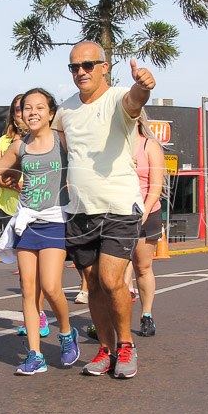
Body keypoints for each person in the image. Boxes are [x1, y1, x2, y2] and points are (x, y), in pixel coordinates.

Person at [0, 88, 78, 375]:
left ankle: (67, 335)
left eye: (39, 107)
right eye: (27, 108)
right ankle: (35, 354)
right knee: (28, 289)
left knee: (52, 287)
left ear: (51, 113)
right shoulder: (19, 146)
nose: (32, 112)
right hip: (26, 222)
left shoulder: (63, 141)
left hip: (55, 220)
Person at [52, 41, 155, 380]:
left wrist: (143, 87)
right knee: (93, 284)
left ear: (104, 67)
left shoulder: (118, 98)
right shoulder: (64, 111)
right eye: (74, 67)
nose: (81, 72)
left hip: (119, 207)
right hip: (80, 210)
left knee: (112, 280)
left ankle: (126, 345)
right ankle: (106, 350)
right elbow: (56, 153)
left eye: (88, 65)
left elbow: (134, 103)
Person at [0, 94, 49, 338]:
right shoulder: (5, 141)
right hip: (10, 209)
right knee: (26, 272)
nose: (21, 113)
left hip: (39, 209)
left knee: (40, 272)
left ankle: (40, 314)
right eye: (17, 109)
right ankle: (32, 315)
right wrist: (12, 184)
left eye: (24, 108)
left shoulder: (43, 140)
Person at [129, 110, 165, 337]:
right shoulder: (110, 146)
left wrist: (143, 212)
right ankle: (117, 319)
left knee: (142, 267)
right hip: (116, 215)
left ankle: (146, 315)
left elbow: (156, 186)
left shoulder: (149, 145)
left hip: (146, 212)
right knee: (117, 271)